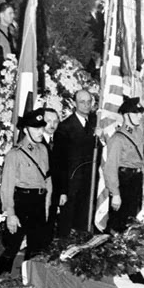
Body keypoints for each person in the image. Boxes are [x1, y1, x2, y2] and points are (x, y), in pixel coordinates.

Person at [0, 110, 51, 274]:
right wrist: (10, 213)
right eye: (36, 128)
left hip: (39, 203)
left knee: (36, 248)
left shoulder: (43, 150)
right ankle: (0, 283)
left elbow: (47, 179)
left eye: (42, 128)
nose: (41, 132)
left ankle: (29, 283)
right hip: (22, 202)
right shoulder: (15, 154)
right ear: (26, 130)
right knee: (12, 246)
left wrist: (47, 204)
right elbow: (6, 186)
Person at [52, 89, 97, 238]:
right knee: (67, 226)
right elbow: (60, 162)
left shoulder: (94, 123)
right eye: (82, 102)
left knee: (84, 226)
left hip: (90, 184)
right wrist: (62, 190)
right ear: (74, 103)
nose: (86, 105)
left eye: (88, 102)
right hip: (71, 185)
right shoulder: (65, 128)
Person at [103, 97, 144, 232]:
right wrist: (115, 193)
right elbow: (110, 167)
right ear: (126, 115)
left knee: (133, 218)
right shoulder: (118, 138)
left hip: (136, 179)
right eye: (136, 113)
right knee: (119, 220)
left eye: (140, 113)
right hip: (124, 180)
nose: (140, 116)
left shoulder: (138, 132)